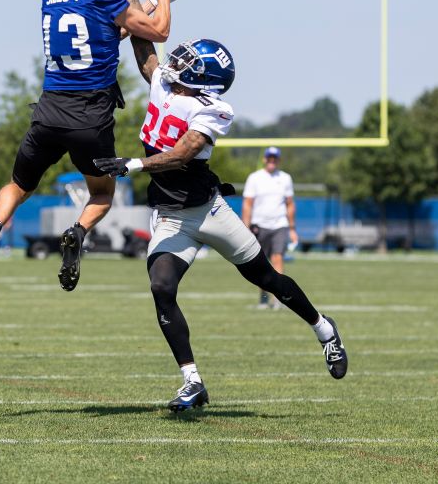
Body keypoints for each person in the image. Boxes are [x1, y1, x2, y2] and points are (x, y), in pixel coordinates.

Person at [94, 37, 347, 412]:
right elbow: (142, 43)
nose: (179, 59)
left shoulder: (215, 109)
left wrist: (135, 165)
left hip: (209, 211)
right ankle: (193, 382)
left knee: (266, 277)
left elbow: (184, 153)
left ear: (205, 77)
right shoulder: (165, 81)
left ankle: (323, 328)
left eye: (191, 60)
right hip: (170, 215)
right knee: (161, 287)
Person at [0, 0, 180, 292]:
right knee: (102, 194)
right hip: (90, 116)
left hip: (48, 111)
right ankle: (77, 232)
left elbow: (112, 29)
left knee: (17, 184)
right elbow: (157, 30)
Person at [242, 146, 298, 309]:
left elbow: (289, 204)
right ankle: (264, 297)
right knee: (261, 264)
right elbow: (248, 204)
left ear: (279, 160)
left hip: (279, 225)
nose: (272, 161)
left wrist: (292, 228)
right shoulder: (255, 178)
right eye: (269, 158)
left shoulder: (285, 178)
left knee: (278, 258)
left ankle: (278, 299)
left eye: (275, 158)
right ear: (264, 159)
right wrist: (246, 227)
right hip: (259, 225)